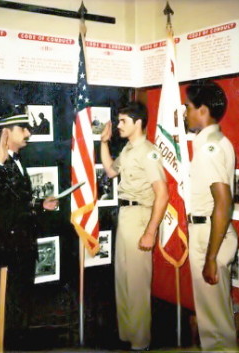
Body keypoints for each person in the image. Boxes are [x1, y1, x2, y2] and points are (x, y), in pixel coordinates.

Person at [0, 106, 58, 348]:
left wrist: (41, 204)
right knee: (4, 304)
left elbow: (16, 199)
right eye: (23, 128)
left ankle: (18, 343)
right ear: (6, 133)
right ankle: (4, 345)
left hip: (23, 245)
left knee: (22, 301)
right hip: (5, 247)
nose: (28, 133)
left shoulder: (18, 161)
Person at [100, 101, 168, 351]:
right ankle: (129, 337)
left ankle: (141, 343)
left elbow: (162, 194)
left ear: (138, 123)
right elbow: (110, 171)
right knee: (124, 281)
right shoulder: (129, 149)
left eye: (123, 121)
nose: (118, 125)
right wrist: (104, 142)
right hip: (126, 215)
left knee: (137, 283)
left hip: (140, 215)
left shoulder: (148, 152)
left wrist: (150, 231)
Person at [184, 80, 238, 351]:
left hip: (209, 237)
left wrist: (211, 258)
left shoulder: (209, 148)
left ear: (202, 110)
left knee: (215, 328)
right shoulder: (215, 142)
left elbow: (224, 203)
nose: (185, 113)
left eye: (187, 107)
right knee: (215, 319)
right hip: (209, 233)